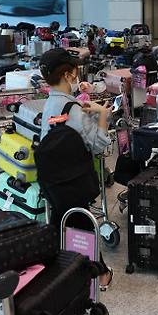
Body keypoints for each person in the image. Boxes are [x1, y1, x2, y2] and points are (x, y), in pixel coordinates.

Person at [39, 48, 114, 290]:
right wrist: (102, 113)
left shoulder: (50, 105)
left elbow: (62, 132)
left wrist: (81, 108)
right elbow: (98, 144)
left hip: (51, 178)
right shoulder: (71, 109)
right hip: (73, 179)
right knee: (82, 223)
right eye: (75, 71)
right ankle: (100, 274)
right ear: (69, 74)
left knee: (60, 223)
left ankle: (57, 269)